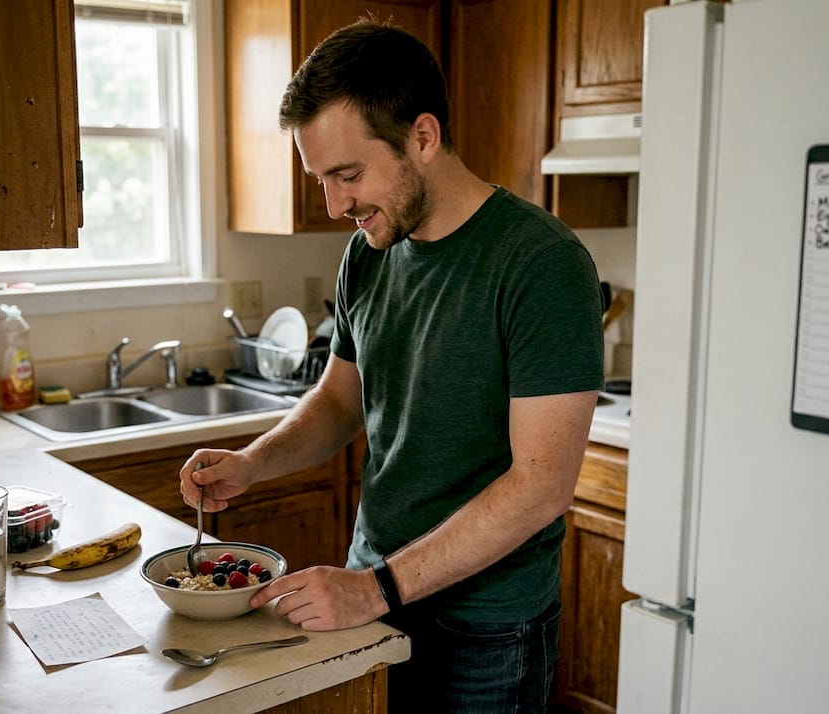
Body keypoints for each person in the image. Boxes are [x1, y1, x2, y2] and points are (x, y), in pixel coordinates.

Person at [178, 18, 604, 712]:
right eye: (321, 179)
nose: (336, 203)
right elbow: (341, 402)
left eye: (348, 174)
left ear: (424, 138)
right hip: (373, 600)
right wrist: (255, 462)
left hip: (486, 629)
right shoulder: (368, 253)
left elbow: (541, 488)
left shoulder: (541, 264)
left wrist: (374, 586)